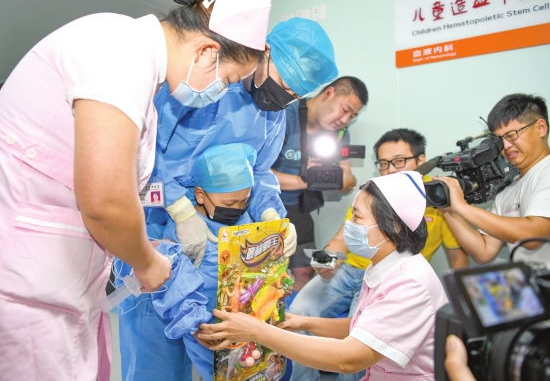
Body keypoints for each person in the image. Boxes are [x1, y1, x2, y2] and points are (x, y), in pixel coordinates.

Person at [0, 0, 272, 378]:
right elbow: (106, 202)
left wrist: (154, 249)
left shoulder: (142, 73)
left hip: (58, 284)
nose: (221, 92)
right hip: (24, 285)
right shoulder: (118, 48)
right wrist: (148, 264)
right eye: (228, 80)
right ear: (206, 52)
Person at [199, 171, 449, 381]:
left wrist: (257, 332)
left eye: (357, 217)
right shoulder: (385, 266)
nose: (349, 223)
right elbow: (362, 327)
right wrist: (303, 322)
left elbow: (349, 358)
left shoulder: (411, 284)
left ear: (393, 226)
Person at [146, 16, 339, 268]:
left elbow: (259, 171)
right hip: (162, 215)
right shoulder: (204, 81)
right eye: (283, 84)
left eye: (294, 96)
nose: (282, 99)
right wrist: (180, 210)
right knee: (162, 291)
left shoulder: (273, 115)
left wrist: (272, 215)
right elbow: (146, 151)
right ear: (266, 51)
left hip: (227, 226)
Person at [288, 128, 469, 381]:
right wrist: (327, 259)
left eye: (398, 161)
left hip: (391, 284)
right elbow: (341, 239)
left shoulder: (411, 279)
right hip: (351, 270)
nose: (391, 170)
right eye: (384, 163)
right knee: (299, 311)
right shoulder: (370, 203)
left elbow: (351, 354)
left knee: (354, 359)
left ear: (420, 160)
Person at [118, 143, 258, 381]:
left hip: (228, 320)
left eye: (243, 202)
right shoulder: (183, 231)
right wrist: (196, 323)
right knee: (159, 369)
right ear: (200, 195)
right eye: (229, 204)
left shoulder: (244, 221)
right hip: (191, 316)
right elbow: (176, 282)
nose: (237, 209)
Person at [271, 76, 367, 291]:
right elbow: (258, 171)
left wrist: (335, 178)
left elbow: (350, 181)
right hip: (264, 203)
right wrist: (304, 180)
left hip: (298, 208)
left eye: (352, 116)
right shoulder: (286, 113)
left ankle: (296, 321)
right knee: (265, 271)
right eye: (344, 109)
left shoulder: (341, 134)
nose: (345, 120)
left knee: (305, 270)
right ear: (328, 93)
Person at [438, 94, 550, 266]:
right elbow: (483, 252)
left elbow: (533, 236)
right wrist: (449, 209)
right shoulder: (507, 190)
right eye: (499, 140)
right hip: (529, 291)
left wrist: (462, 207)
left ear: (541, 128)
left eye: (511, 135)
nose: (505, 146)